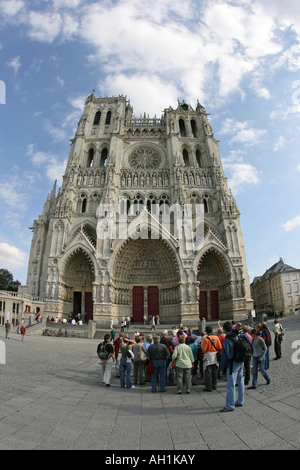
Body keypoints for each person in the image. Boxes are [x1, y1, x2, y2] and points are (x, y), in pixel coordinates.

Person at [219, 321, 245, 412]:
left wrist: (221, 369)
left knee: (231, 385)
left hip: (232, 363)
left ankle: (230, 405)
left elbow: (224, 356)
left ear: (225, 330)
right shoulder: (238, 335)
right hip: (241, 361)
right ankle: (240, 401)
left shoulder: (227, 339)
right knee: (240, 381)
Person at [201, 325, 222, 392]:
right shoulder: (216, 338)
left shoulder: (206, 339)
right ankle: (214, 385)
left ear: (206, 331)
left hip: (208, 355)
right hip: (215, 355)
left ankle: (208, 387)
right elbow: (220, 347)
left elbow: (204, 350)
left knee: (208, 372)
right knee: (215, 371)